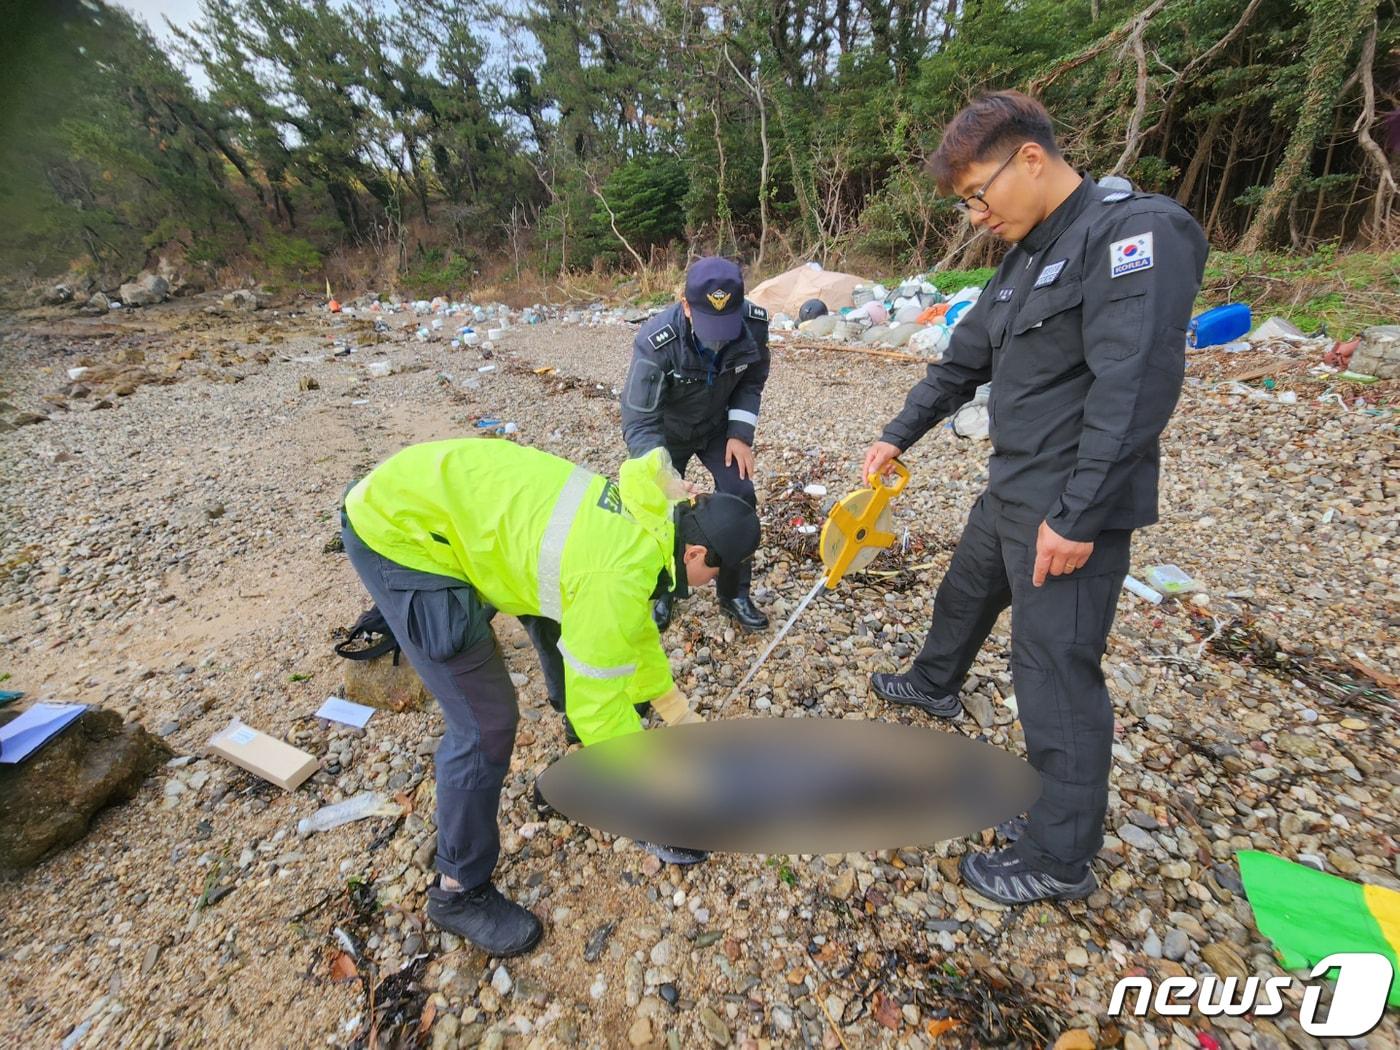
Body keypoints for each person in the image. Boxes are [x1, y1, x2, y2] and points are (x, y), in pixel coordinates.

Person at [860, 91, 1208, 905]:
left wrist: (1079, 516)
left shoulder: (1132, 235)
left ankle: (1059, 852)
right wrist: (895, 434)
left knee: (1053, 671)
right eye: (965, 204)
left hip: (1068, 506)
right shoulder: (1022, 256)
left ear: (1030, 158)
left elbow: (1134, 389)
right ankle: (934, 681)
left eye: (979, 193)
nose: (976, 214)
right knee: (967, 588)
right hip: (1012, 484)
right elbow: (961, 361)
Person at [340, 438, 760, 954]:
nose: (704, 585)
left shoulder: (648, 517)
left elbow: (627, 635)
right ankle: (457, 891)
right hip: (398, 529)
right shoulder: (615, 574)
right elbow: (599, 701)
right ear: (695, 552)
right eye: (711, 575)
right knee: (485, 724)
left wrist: (675, 709)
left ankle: (578, 774)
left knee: (570, 631)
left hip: (442, 497)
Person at [621, 256, 772, 632]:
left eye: (726, 324)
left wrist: (739, 434)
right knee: (663, 509)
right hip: (666, 432)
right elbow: (639, 419)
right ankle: (663, 592)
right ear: (686, 306)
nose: (719, 337)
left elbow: (752, 381)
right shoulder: (656, 342)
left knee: (740, 492)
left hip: (717, 426)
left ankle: (734, 592)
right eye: (709, 324)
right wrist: (660, 474)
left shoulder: (753, 325)